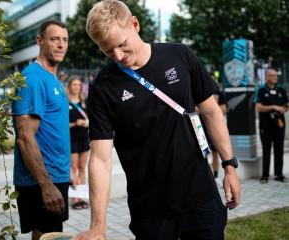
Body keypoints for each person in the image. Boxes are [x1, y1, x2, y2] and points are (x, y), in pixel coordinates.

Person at [75, 1, 241, 239]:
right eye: (108, 51)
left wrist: (229, 166)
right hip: (150, 211)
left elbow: (211, 112)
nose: (118, 56)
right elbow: (100, 159)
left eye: (122, 45)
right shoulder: (102, 88)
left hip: (200, 198)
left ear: (135, 24)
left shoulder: (180, 55)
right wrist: (98, 226)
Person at [12, 20, 70, 240]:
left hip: (55, 175)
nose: (60, 45)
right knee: (48, 235)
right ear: (40, 41)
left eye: (64, 40)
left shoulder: (51, 78)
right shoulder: (33, 78)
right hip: (42, 181)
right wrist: (46, 185)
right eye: (54, 39)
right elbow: (25, 138)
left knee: (47, 236)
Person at [254, 68, 288, 183]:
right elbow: (258, 108)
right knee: (266, 150)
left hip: (279, 124)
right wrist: (273, 107)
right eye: (273, 75)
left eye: (276, 76)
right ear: (267, 77)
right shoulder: (261, 90)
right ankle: (265, 175)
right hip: (266, 125)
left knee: (279, 149)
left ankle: (279, 174)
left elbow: (286, 105)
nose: (275, 77)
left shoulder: (281, 90)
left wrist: (283, 109)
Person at [66, 75, 90, 210]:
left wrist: (87, 123)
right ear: (69, 86)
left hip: (84, 138)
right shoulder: (66, 103)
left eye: (79, 85)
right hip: (72, 139)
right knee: (73, 168)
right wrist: (76, 123)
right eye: (74, 84)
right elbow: (63, 125)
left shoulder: (84, 102)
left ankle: (82, 196)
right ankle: (75, 198)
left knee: (82, 168)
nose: (76, 87)